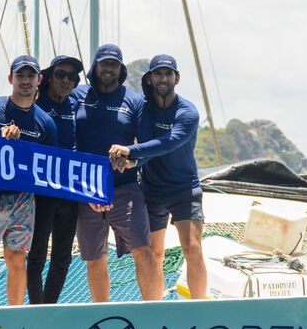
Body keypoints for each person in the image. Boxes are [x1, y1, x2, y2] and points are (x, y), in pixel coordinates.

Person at [110, 55, 208, 300]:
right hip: (152, 191)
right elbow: (144, 143)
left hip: (185, 190)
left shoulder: (188, 112)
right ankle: (154, 308)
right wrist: (135, 160)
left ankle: (199, 309)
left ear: (177, 78)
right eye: (158, 74)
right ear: (150, 78)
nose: (163, 79)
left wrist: (131, 152)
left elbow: (168, 143)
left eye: (168, 74)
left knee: (193, 249)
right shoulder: (144, 108)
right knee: (154, 254)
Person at [73, 44, 163, 301]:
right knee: (95, 258)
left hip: (125, 188)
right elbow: (48, 106)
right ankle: (103, 314)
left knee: (143, 251)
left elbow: (146, 146)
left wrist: (132, 157)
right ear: (95, 67)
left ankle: (155, 312)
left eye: (114, 64)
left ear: (121, 69)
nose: (109, 68)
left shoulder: (134, 101)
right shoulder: (77, 95)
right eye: (104, 63)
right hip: (86, 190)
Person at [0, 55, 58, 305]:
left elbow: (53, 166)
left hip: (23, 201)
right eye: (20, 75)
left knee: (16, 259)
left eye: (30, 76)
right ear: (10, 78)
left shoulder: (46, 122)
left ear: (39, 80)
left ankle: (14, 315)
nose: (25, 81)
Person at [27, 55, 82, 304]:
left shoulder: (77, 103)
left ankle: (48, 308)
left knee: (63, 258)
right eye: (60, 74)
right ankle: (37, 308)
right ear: (49, 77)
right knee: (37, 254)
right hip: (41, 191)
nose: (66, 80)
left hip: (69, 191)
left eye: (72, 77)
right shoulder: (35, 99)